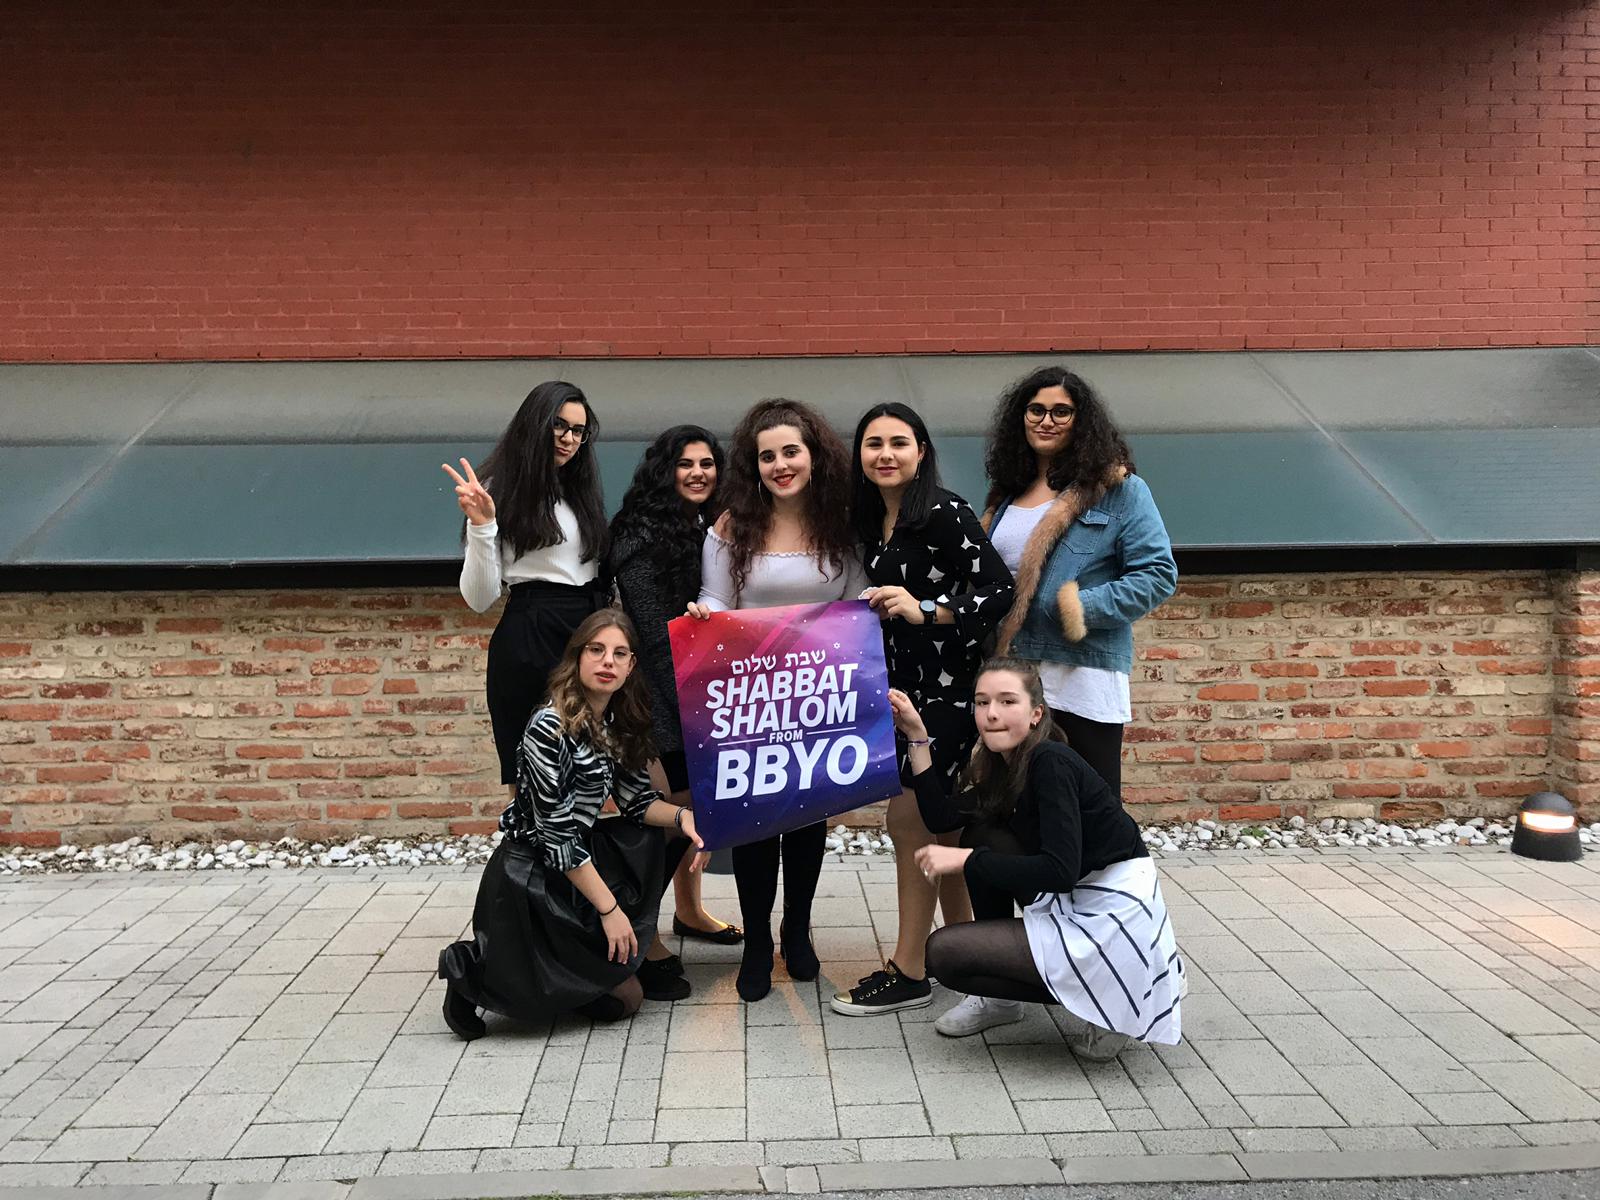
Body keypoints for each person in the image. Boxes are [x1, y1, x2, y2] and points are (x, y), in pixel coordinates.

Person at [890, 659, 1183, 1058]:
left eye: (1007, 701)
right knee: (982, 833)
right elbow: (940, 816)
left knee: (945, 954)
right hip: (1075, 895)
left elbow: (1059, 871)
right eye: (981, 702)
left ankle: (1112, 1001)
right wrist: (917, 735)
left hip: (1114, 916)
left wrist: (965, 862)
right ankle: (1002, 1003)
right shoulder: (1002, 769)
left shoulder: (1051, 763)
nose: (991, 713)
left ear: (1035, 714)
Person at [437, 609, 703, 1039]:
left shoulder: (617, 721)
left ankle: (571, 968)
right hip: (534, 876)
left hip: (581, 862)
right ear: (577, 658)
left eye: (620, 654)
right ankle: (473, 972)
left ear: (631, 665)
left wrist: (683, 817)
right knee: (619, 999)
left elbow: (636, 801)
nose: (607, 662)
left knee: (621, 1000)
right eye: (596, 650)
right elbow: (556, 836)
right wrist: (611, 910)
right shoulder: (548, 726)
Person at [831, 403, 1014, 1017]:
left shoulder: (943, 511)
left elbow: (998, 589)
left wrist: (927, 609)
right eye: (873, 443)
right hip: (898, 690)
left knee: (909, 823)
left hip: (944, 696)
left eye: (899, 442)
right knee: (946, 831)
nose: (885, 454)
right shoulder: (870, 520)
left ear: (921, 451)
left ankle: (910, 970)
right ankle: (979, 966)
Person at [685, 398, 867, 1002]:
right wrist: (702, 616)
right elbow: (715, 597)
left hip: (817, 691)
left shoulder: (842, 523)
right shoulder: (731, 525)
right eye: (767, 456)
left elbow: (857, 600)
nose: (780, 465)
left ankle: (799, 929)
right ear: (752, 464)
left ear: (814, 455)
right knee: (756, 824)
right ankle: (759, 941)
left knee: (809, 819)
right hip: (752, 694)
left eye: (791, 451)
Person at [981, 366, 1177, 797]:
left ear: (1082, 422)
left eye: (1061, 412)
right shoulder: (1007, 495)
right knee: (1022, 801)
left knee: (1090, 803)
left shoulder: (1121, 491)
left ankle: (1108, 869)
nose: (1046, 420)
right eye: (1035, 410)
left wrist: (1076, 607)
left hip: (1081, 669)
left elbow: (1158, 574)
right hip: (1014, 670)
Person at [609, 426, 743, 977]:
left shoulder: (703, 528)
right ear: (663, 471)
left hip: (693, 692)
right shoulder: (640, 535)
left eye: (707, 463)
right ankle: (640, 933)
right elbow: (656, 633)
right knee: (668, 818)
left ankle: (688, 912)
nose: (697, 473)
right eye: (684, 464)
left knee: (696, 806)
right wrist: (694, 707)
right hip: (657, 698)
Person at [443, 381, 610, 793]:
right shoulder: (500, 491)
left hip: (588, 631)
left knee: (592, 776)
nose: (568, 438)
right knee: (535, 781)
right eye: (559, 425)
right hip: (532, 632)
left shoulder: (579, 492)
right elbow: (480, 598)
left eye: (578, 430)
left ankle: (581, 858)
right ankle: (531, 858)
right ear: (536, 424)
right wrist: (482, 527)